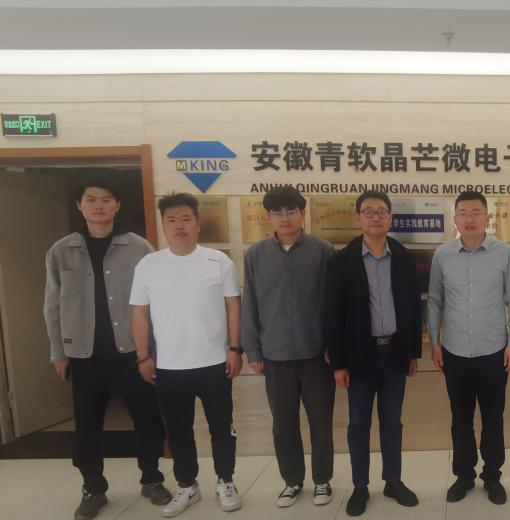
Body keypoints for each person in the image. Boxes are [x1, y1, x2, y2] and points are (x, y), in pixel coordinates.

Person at [43, 175, 170, 520]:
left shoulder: (139, 247)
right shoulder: (61, 250)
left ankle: (152, 479)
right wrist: (58, 353)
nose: (98, 206)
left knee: (147, 417)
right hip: (84, 353)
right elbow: (52, 306)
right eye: (91, 199)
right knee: (87, 424)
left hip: (132, 350)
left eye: (105, 199)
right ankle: (93, 488)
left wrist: (152, 350)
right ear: (79, 205)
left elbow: (156, 301)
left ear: (117, 205)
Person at [130, 193, 243, 517]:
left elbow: (233, 306)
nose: (179, 226)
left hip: (215, 362)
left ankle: (225, 480)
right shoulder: (149, 265)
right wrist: (143, 356)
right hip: (169, 366)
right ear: (164, 224)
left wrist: (235, 349)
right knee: (178, 430)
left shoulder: (218, 261)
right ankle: (187, 484)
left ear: (197, 223)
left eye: (185, 219)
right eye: (172, 220)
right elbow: (139, 313)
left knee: (222, 427)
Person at [325, 190, 421, 517]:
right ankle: (360, 486)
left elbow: (413, 307)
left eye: (382, 211)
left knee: (392, 421)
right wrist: (338, 363)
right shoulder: (341, 261)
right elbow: (332, 315)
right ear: (358, 218)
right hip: (358, 356)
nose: (376, 217)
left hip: (395, 353)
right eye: (369, 211)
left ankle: (393, 481)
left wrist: (413, 352)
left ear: (391, 217)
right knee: (358, 423)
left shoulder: (404, 257)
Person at [242, 186, 336, 508]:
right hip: (275, 356)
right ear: (269, 216)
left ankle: (322, 480)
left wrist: (333, 346)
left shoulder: (323, 251)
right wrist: (253, 351)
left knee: (321, 422)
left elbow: (332, 303)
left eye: (291, 211)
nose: (285, 218)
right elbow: (250, 304)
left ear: (302, 213)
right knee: (283, 425)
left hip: (316, 355)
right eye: (278, 212)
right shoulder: (255, 255)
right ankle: (292, 481)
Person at [428, 190, 510, 505]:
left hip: (493, 352)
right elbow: (435, 301)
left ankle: (492, 477)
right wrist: (434, 341)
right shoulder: (442, 255)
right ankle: (464, 476)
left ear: (488, 217)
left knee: (493, 419)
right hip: (454, 352)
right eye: (463, 213)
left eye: (476, 212)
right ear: (455, 218)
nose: (470, 219)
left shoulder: (504, 253)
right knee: (460, 418)